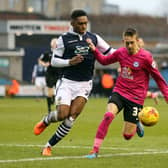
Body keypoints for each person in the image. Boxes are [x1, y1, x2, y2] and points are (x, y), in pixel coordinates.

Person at [33, 9, 115, 156]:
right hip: (67, 83)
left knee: (71, 117)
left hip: (85, 84)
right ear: (72, 23)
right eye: (80, 23)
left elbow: (110, 52)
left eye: (85, 23)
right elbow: (54, 61)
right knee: (62, 114)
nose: (84, 26)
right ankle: (46, 120)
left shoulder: (94, 38)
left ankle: (48, 146)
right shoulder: (63, 39)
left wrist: (127, 56)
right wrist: (69, 62)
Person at [85, 27, 168, 158]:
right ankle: (94, 150)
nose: (129, 46)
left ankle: (137, 122)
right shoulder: (120, 53)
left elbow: (159, 79)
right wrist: (95, 50)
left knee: (127, 136)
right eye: (126, 42)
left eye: (132, 42)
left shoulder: (146, 57)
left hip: (135, 98)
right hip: (119, 91)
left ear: (137, 41)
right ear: (124, 41)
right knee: (108, 116)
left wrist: (167, 96)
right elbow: (104, 61)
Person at [38, 38, 62, 113]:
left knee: (59, 91)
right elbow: (40, 60)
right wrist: (44, 64)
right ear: (51, 44)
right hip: (50, 74)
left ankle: (57, 105)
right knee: (50, 91)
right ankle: (49, 109)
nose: (55, 44)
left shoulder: (61, 53)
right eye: (53, 42)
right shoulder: (47, 53)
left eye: (56, 42)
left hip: (59, 74)